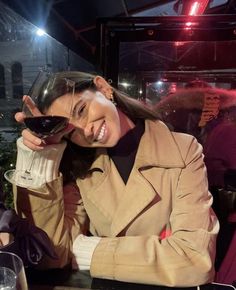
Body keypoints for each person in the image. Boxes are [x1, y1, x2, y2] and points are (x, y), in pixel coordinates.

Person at [9, 71, 218, 287]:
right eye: (70, 133)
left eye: (81, 110)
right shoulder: (83, 167)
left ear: (103, 88)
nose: (86, 131)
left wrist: (89, 251)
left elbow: (194, 259)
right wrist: (40, 156)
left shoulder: (183, 150)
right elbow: (49, 254)